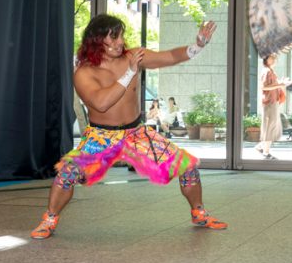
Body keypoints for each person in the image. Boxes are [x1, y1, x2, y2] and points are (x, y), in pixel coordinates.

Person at [30, 14, 227, 239]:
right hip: (101, 136)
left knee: (187, 166)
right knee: (67, 173)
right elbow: (102, 103)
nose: (119, 43)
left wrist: (197, 46)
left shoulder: (133, 56)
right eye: (112, 38)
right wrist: (129, 73)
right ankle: (50, 219)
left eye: (121, 37)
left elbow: (169, 56)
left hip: (136, 132)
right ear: (96, 40)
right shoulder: (85, 72)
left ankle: (198, 212)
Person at [255, 54, 287, 160]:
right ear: (266, 59)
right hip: (269, 103)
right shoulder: (266, 71)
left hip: (272, 102)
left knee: (272, 126)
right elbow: (264, 87)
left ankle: (261, 147)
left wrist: (281, 84)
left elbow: (273, 86)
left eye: (274, 58)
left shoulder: (270, 71)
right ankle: (266, 152)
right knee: (270, 127)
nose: (274, 59)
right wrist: (280, 84)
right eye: (271, 57)